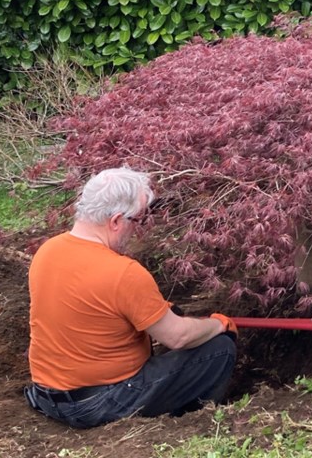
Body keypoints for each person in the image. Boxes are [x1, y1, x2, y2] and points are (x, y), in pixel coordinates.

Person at [24, 167, 239, 429]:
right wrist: (219, 323)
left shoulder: (48, 251)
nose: (138, 230)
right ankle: (192, 420)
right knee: (219, 348)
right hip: (97, 403)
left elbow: (90, 308)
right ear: (115, 221)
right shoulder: (123, 273)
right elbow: (177, 337)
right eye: (137, 220)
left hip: (47, 396)